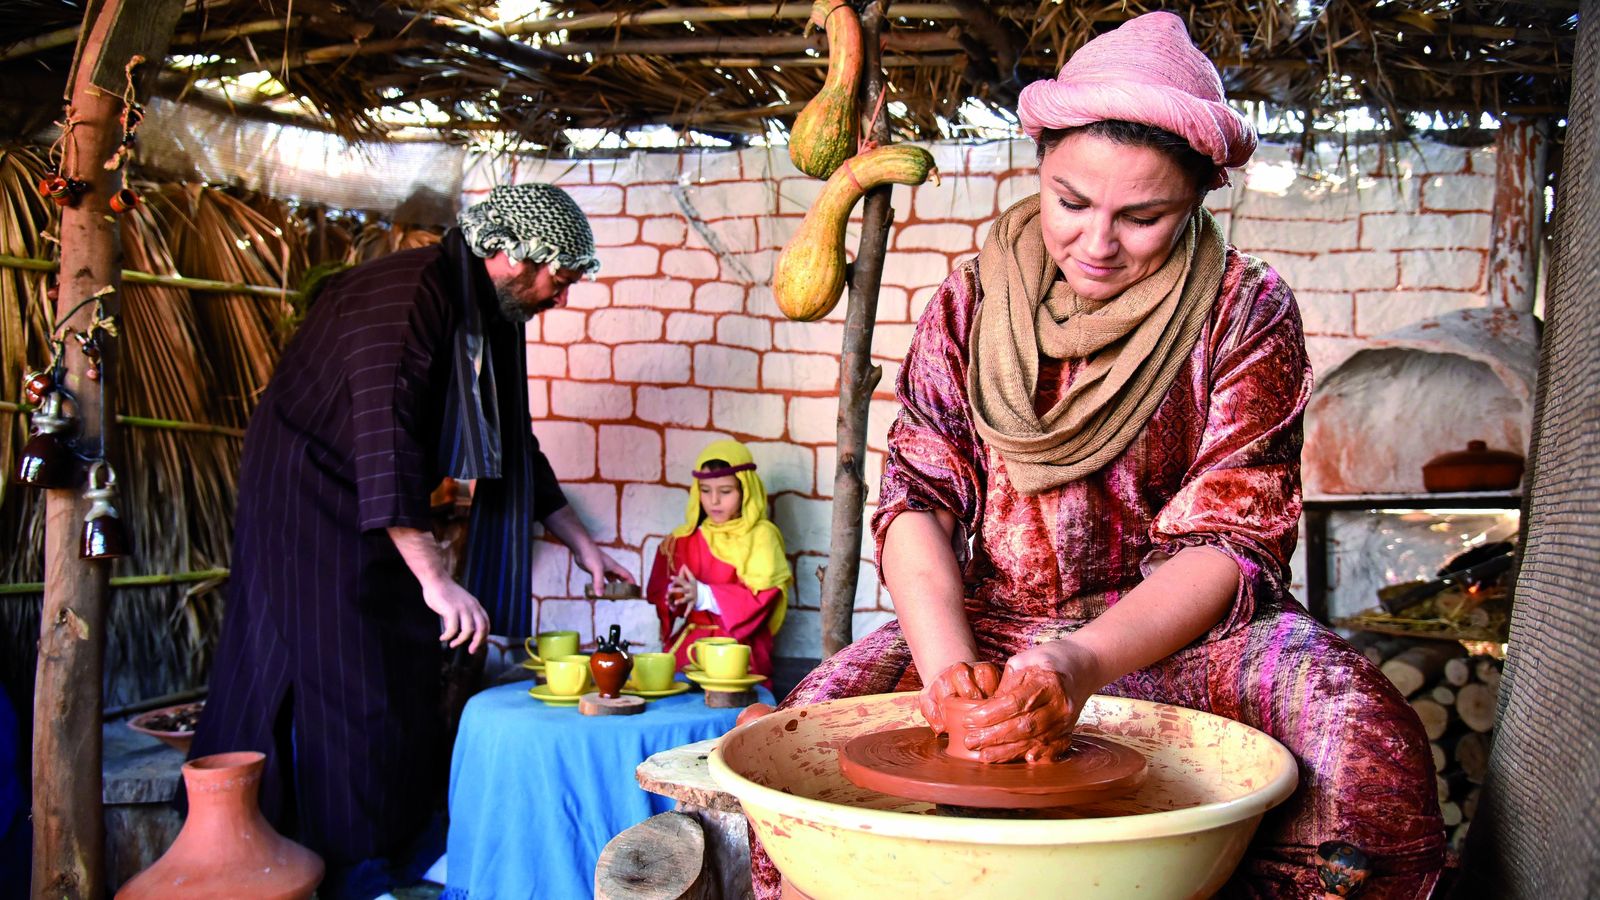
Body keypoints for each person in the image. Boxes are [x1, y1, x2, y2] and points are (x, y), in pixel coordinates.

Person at [755, 13, 1443, 898]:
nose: (1096, 242)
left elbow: (1230, 544)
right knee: (799, 762)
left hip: (1182, 631)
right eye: (1070, 201)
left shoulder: (1245, 309)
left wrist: (1076, 663)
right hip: (989, 620)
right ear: (1039, 168)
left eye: (1144, 216)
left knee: (1367, 752)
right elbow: (916, 499)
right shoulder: (969, 301)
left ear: (1196, 198)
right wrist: (948, 676)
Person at [188, 184, 634, 900]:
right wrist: (435, 576)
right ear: (508, 255)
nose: (563, 296)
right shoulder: (406, 297)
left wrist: (577, 538)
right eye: (561, 276)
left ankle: (401, 844)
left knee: (400, 665)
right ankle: (350, 870)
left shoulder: (486, 312)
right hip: (310, 496)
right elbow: (384, 439)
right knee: (346, 679)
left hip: (370, 502)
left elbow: (510, 436)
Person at [646, 440, 791, 678]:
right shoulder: (681, 539)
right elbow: (661, 595)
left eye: (725, 491)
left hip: (738, 653)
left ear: (745, 490)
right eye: (705, 490)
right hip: (689, 650)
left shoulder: (762, 536)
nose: (714, 501)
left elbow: (765, 597)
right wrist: (675, 597)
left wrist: (703, 595)